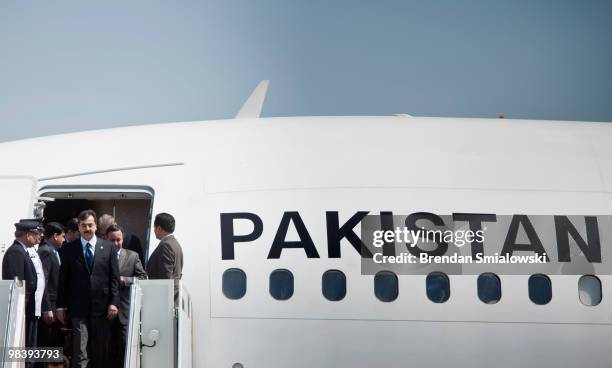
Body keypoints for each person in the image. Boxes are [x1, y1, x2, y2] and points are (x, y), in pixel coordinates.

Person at [56, 209, 120, 368]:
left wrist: (114, 302)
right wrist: (60, 306)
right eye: (83, 225)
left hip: (103, 308)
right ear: (78, 227)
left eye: (90, 225)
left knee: (100, 350)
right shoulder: (69, 249)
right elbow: (63, 279)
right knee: (80, 351)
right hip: (78, 308)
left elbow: (114, 278)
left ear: (96, 226)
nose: (87, 229)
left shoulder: (108, 247)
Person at [106, 224, 147, 368]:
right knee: (106, 347)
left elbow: (143, 278)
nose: (116, 244)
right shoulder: (99, 255)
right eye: (112, 240)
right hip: (105, 309)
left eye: (119, 240)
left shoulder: (132, 256)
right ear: (106, 239)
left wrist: (126, 280)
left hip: (125, 309)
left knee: (124, 346)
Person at [1, 219, 41, 347]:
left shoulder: (23, 251)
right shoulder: (16, 252)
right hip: (23, 310)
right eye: (37, 233)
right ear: (28, 235)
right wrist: (20, 310)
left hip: (28, 309)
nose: (39, 236)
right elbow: (17, 284)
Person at [38, 222, 65, 349]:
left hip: (55, 305)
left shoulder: (54, 251)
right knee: (48, 342)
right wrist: (46, 308)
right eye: (62, 236)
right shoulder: (46, 252)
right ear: (55, 236)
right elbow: (44, 282)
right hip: (49, 306)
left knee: (54, 341)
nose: (64, 240)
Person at [147, 213, 183, 303]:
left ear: (159, 228)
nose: (154, 230)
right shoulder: (175, 244)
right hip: (172, 297)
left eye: (154, 227)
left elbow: (166, 277)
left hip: (164, 300)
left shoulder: (166, 245)